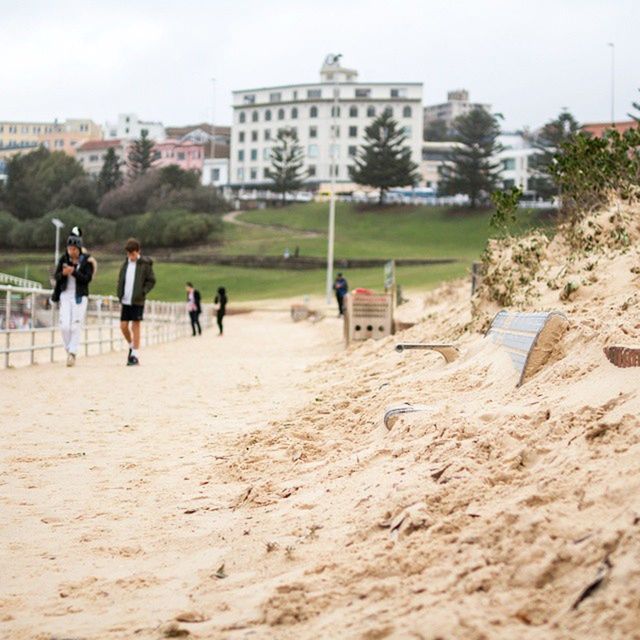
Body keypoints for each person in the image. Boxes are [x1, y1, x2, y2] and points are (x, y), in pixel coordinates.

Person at [52, 232, 95, 366]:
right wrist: (63, 273)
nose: (71, 251)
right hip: (65, 294)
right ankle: (69, 349)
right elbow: (56, 276)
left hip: (80, 296)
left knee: (75, 325)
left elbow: (87, 279)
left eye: (74, 249)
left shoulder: (87, 261)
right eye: (69, 248)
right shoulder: (63, 259)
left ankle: (72, 352)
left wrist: (74, 272)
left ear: (79, 248)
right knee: (64, 326)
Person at [117, 238, 156, 366]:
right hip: (125, 300)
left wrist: (143, 291)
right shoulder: (125, 264)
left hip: (137, 300)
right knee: (123, 326)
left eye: (133, 254)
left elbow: (152, 280)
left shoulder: (145, 264)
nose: (131, 257)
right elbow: (121, 280)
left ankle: (134, 355)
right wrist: (120, 294)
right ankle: (131, 345)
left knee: (136, 326)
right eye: (128, 254)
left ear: (138, 251)